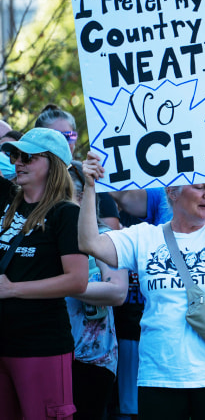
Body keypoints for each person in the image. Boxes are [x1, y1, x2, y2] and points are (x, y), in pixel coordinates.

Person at [78, 152, 205, 420]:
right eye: (199, 187)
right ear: (172, 192)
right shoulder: (144, 236)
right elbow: (89, 244)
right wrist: (90, 186)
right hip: (160, 375)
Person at [0, 127, 89, 420]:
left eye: (28, 156)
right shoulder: (7, 204)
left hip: (40, 344)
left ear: (52, 164)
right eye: (15, 155)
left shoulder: (66, 213)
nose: (18, 162)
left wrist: (13, 289)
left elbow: (77, 280)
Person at [66, 166, 129, 420]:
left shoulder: (105, 237)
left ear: (81, 199)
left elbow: (117, 291)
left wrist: (63, 285)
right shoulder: (41, 236)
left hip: (91, 360)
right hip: (45, 350)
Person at [35, 104, 121, 230]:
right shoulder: (25, 176)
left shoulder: (90, 176)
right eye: (55, 137)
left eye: (68, 136)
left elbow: (110, 235)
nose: (63, 142)